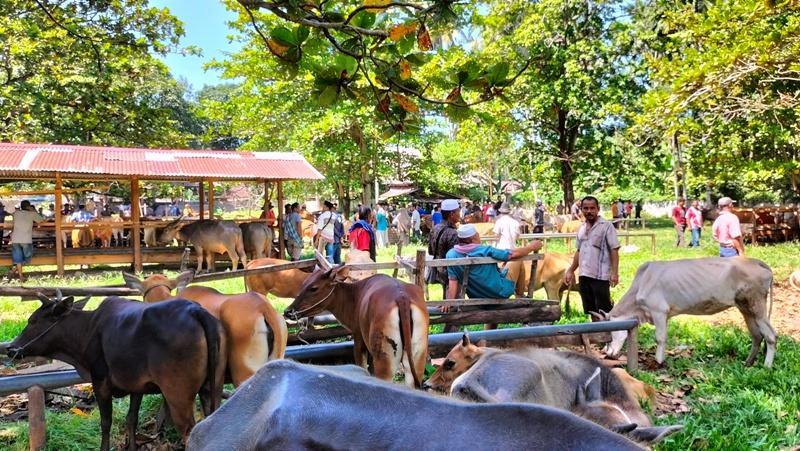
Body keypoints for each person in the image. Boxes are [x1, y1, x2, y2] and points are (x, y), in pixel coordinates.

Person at [446, 224, 542, 301]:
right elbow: (513, 254)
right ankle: (520, 296)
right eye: (477, 234)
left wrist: (449, 301)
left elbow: (453, 281)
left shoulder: (450, 255)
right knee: (516, 261)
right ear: (473, 238)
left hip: (476, 296)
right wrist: (531, 247)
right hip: (499, 292)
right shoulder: (485, 250)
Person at [564, 196, 620, 320]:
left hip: (600, 276)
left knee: (604, 310)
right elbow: (579, 251)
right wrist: (571, 269)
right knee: (592, 311)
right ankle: (596, 336)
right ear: (581, 210)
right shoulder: (581, 229)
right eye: (586, 208)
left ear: (598, 209)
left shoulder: (606, 226)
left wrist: (615, 273)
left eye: (592, 208)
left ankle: (609, 336)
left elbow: (614, 250)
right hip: (584, 276)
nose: (589, 211)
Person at [428, 199, 462, 298]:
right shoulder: (453, 233)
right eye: (458, 212)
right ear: (452, 214)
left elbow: (430, 250)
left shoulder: (435, 228)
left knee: (446, 296)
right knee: (453, 299)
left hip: (438, 267)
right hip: (450, 271)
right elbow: (455, 257)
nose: (459, 214)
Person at [9, 200, 45, 282]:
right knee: (27, 257)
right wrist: (34, 210)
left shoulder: (16, 213)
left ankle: (19, 275)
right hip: (26, 239)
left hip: (15, 239)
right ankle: (15, 270)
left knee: (18, 259)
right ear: (29, 206)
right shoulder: (32, 214)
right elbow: (42, 220)